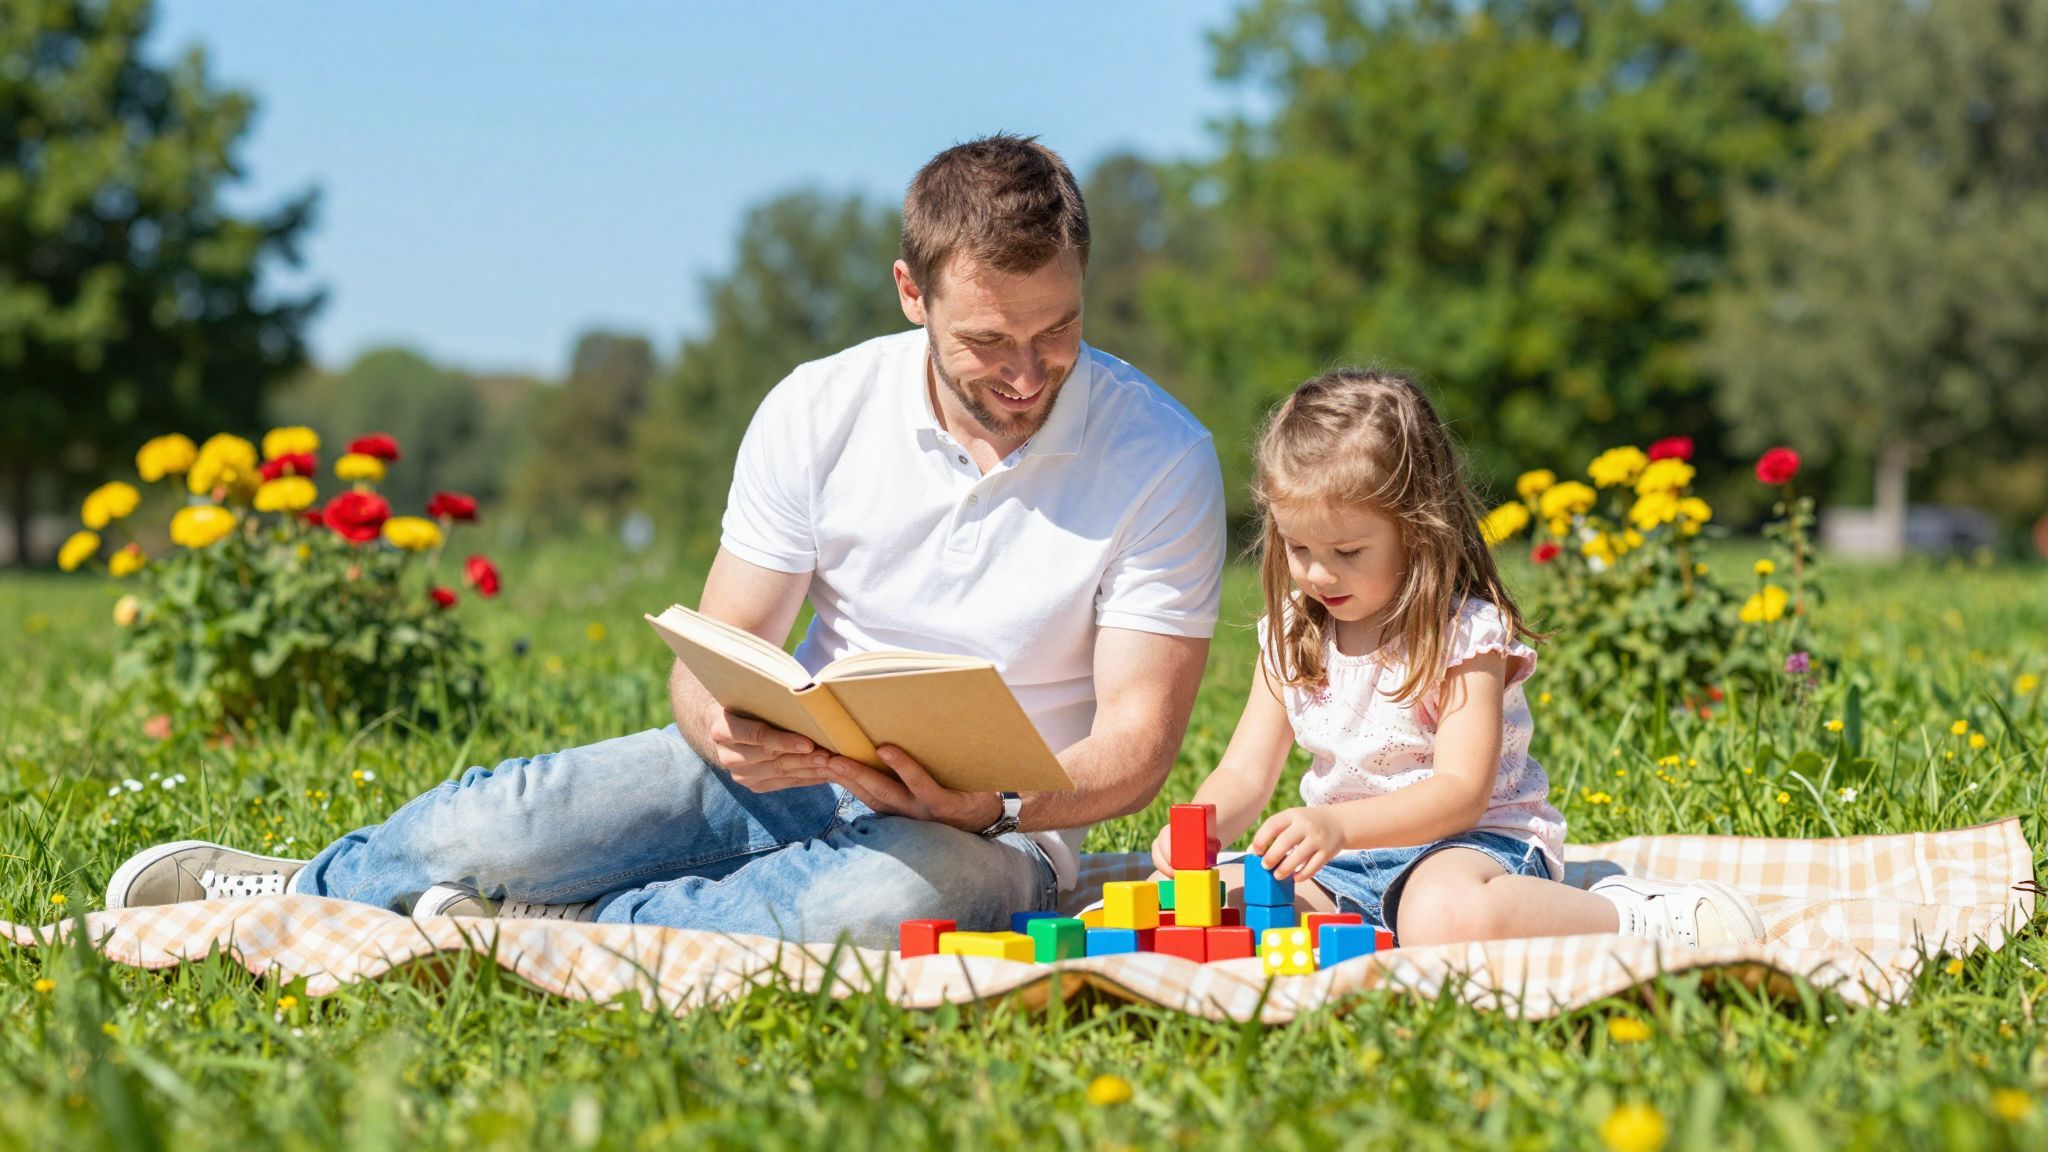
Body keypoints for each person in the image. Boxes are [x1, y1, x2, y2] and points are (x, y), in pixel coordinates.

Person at [105, 134, 1227, 950]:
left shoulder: (1159, 454)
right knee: (506, 821)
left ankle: (557, 931)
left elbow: (1135, 743)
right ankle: (305, 887)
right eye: (988, 340)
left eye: (1058, 332)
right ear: (909, 295)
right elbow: (721, 641)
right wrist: (725, 724)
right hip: (795, 769)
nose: (1027, 374)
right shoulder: (819, 407)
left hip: (1000, 834)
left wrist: (994, 805)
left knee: (873, 912)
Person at [1150, 368, 1765, 948]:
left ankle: (1631, 915)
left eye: (1348, 550)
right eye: (1298, 545)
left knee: (1440, 915)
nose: (1316, 571)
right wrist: (1198, 830)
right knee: (1193, 903)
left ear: (1417, 529)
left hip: (1471, 846)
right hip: (1344, 865)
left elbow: (1460, 792)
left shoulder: (1463, 636)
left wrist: (1339, 828)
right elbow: (1245, 774)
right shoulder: (1292, 634)